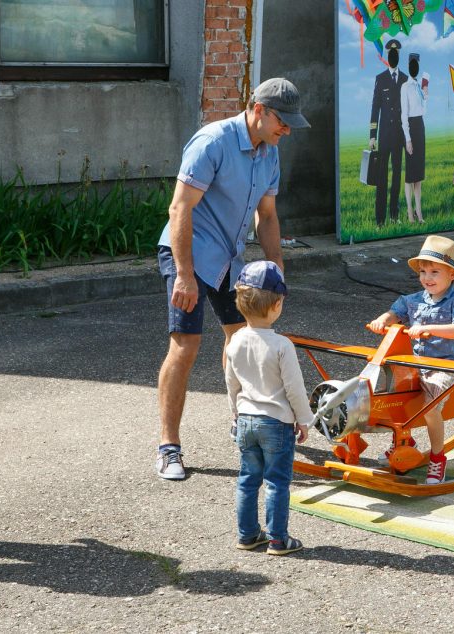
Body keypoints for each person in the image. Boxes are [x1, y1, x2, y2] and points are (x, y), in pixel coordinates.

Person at [154, 78, 310, 481]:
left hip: (229, 258)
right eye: (282, 121)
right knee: (186, 345)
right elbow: (179, 208)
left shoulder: (269, 152)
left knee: (241, 339)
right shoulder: (213, 141)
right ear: (258, 109)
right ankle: (169, 447)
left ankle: (240, 420)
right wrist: (185, 275)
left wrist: (276, 270)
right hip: (187, 252)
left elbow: (268, 215)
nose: (287, 130)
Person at [367, 235, 454, 484]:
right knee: (389, 392)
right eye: (423, 271)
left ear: (452, 275)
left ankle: (438, 458)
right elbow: (396, 312)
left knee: (430, 407)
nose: (427, 277)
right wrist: (384, 320)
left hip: (447, 363)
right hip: (417, 361)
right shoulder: (413, 299)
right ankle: (405, 441)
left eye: (435, 271)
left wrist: (431, 329)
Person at [225, 261, 312, 556]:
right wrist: (305, 420)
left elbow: (231, 383)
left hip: (246, 419)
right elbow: (294, 389)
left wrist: (235, 414)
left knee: (248, 479)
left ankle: (248, 535)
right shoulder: (282, 345)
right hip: (276, 422)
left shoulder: (235, 340)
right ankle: (278, 538)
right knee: (276, 482)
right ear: (276, 305)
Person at [369, 39, 407, 226]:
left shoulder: (406, 79)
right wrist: (372, 137)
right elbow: (375, 108)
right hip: (384, 136)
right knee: (381, 178)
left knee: (397, 176)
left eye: (396, 53)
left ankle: (394, 215)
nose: (393, 56)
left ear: (398, 55)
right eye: (391, 53)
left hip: (399, 136)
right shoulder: (380, 78)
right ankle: (380, 220)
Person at [400, 53, 427, 224]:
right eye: (412, 64)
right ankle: (410, 212)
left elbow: (423, 111)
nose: (414, 67)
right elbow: (404, 115)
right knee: (410, 176)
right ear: (409, 67)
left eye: (416, 63)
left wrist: (426, 95)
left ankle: (419, 212)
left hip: (420, 127)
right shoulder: (405, 87)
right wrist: (408, 139)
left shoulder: (418, 86)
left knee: (418, 176)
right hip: (410, 127)